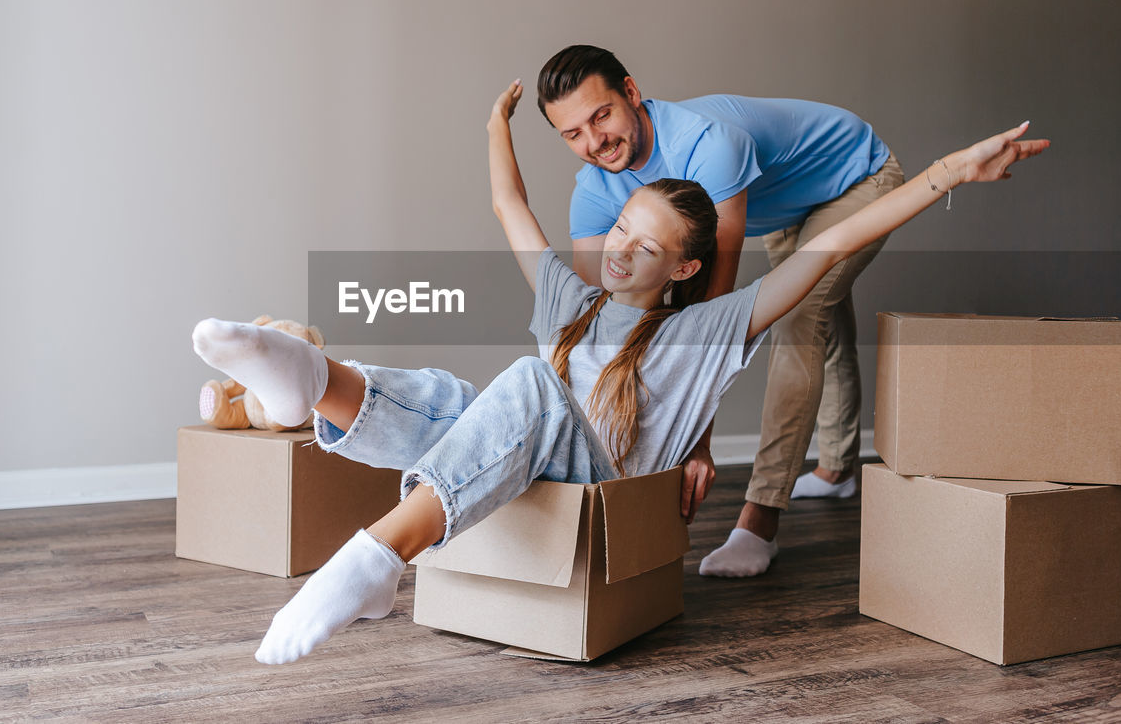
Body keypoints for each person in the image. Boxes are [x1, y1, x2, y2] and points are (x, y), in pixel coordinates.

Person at [190, 79, 1046, 664]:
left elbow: (827, 244)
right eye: (620, 229)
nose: (620, 251)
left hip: (601, 487)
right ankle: (307, 378)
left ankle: (380, 555)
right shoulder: (572, 298)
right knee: (461, 401)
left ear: (681, 269)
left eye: (646, 245)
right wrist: (497, 125)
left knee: (524, 389)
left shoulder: (709, 328)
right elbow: (509, 208)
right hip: (520, 463)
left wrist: (946, 174)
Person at [536, 44, 906, 577]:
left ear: (632, 94)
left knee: (800, 320)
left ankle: (760, 521)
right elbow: (595, 319)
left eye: (602, 115)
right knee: (825, 318)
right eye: (573, 134)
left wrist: (697, 444)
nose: (595, 142)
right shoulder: (594, 187)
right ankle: (837, 469)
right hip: (783, 203)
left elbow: (714, 313)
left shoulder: (708, 146)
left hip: (856, 177)